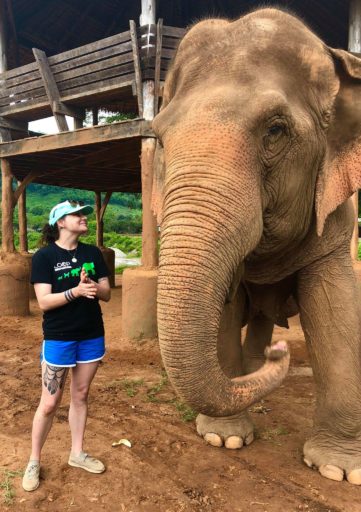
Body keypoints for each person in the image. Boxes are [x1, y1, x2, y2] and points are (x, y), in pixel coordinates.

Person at [22, 200, 111, 492]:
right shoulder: (44, 257)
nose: (84, 217)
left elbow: (107, 293)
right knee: (49, 403)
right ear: (60, 222)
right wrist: (75, 291)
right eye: (77, 215)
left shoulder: (92, 253)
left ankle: (77, 453)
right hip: (59, 336)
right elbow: (45, 302)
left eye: (85, 214)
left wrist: (93, 288)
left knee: (81, 394)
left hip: (91, 334)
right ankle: (34, 460)